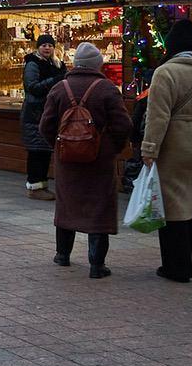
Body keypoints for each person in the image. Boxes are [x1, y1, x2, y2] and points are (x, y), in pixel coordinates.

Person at [39, 42, 132, 279]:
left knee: (67, 203)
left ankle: (62, 255)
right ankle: (96, 265)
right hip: (99, 161)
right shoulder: (107, 89)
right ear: (98, 64)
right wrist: (110, 148)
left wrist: (61, 146)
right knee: (99, 207)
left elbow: (45, 126)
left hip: (67, 160)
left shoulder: (60, 88)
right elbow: (123, 125)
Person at [142, 19, 192, 283]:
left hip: (175, 143)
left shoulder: (165, 73)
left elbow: (157, 117)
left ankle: (176, 267)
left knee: (170, 206)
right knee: (187, 204)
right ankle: (184, 263)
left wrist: (149, 149)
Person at [21, 34, 66, 200]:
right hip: (35, 113)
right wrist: (55, 80)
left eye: (50, 45)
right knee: (36, 151)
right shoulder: (33, 63)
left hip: (47, 112)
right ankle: (34, 186)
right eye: (44, 45)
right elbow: (32, 87)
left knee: (45, 150)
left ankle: (41, 185)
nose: (47, 48)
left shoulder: (56, 63)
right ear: (37, 47)